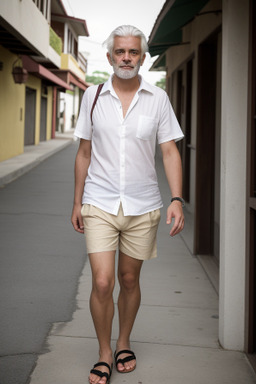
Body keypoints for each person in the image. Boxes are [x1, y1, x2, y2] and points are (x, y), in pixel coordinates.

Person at [71, 25, 185, 384]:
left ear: (143, 57)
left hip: (142, 205)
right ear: (109, 57)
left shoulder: (158, 99)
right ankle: (105, 352)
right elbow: (84, 152)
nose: (126, 58)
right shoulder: (92, 96)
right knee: (103, 282)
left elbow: (169, 151)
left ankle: (123, 341)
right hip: (99, 202)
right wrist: (76, 202)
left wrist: (177, 199)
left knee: (129, 278)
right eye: (120, 52)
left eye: (133, 52)